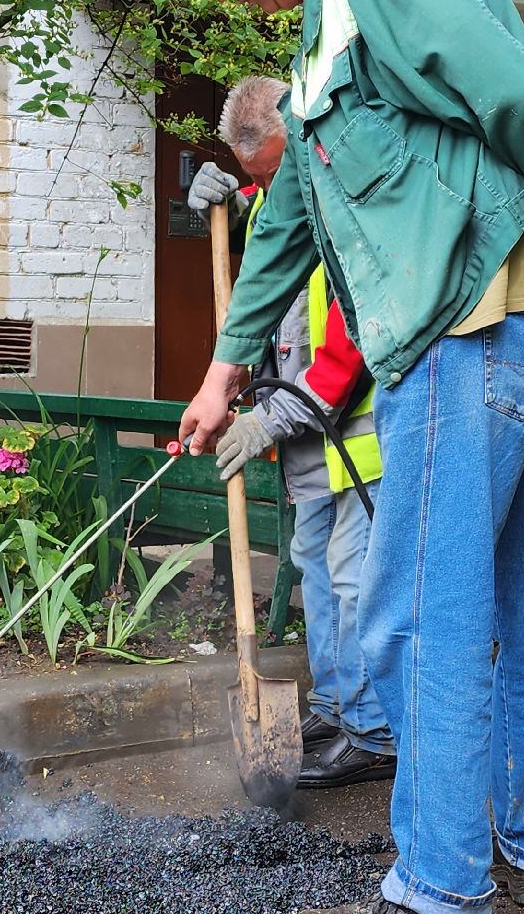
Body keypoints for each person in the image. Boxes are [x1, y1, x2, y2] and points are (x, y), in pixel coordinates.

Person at [163, 0, 524, 914]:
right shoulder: (324, 34)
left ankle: (436, 882)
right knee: (523, 593)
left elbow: (514, 96)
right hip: (522, 307)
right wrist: (222, 373)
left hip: (473, 321)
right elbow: (292, 215)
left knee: (414, 609)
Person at [185, 75, 396, 790]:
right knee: (316, 572)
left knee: (354, 582)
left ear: (300, 143)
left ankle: (375, 733)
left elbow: (349, 349)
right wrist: (227, 202)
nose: (268, 190)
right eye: (255, 179)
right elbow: (270, 238)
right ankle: (337, 709)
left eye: (272, 174)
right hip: (311, 441)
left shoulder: (346, 204)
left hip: (359, 437)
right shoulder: (275, 193)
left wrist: (264, 421)